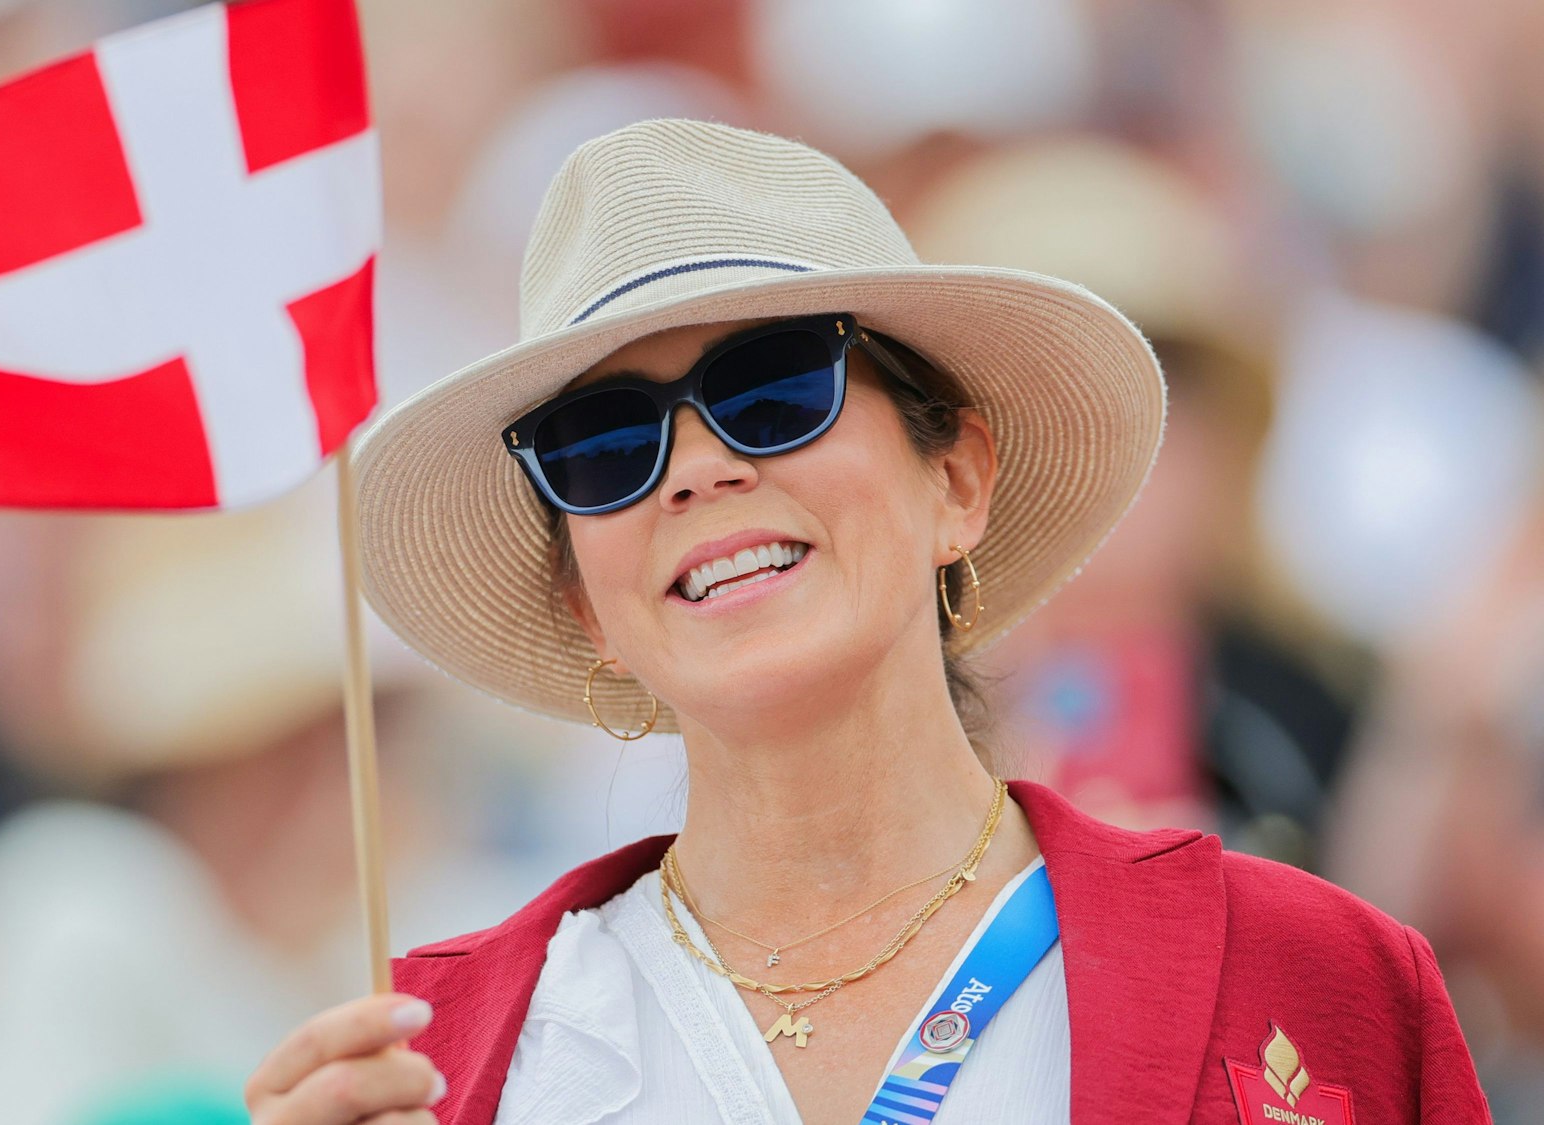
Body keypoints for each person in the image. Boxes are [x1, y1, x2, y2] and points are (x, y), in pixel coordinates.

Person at [240, 120, 1489, 1124]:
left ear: (956, 481)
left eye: (774, 387)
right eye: (602, 444)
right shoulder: (429, 1063)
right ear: (585, 603)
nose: (696, 469)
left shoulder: (1319, 979)